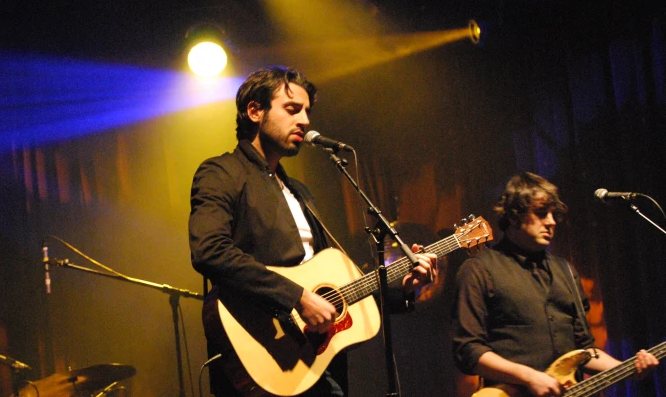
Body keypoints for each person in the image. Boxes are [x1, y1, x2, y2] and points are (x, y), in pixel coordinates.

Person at [189, 66, 438, 396]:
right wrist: (297, 296)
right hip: (265, 359)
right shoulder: (221, 173)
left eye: (307, 111)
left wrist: (401, 287)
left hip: (318, 365)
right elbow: (209, 250)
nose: (305, 121)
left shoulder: (300, 192)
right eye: (292, 109)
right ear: (254, 111)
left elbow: (337, 290)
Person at [452, 172, 659, 397]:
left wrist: (628, 369)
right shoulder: (479, 269)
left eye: (553, 214)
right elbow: (468, 350)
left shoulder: (566, 271)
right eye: (541, 213)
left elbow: (583, 349)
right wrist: (529, 377)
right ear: (513, 216)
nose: (551, 222)